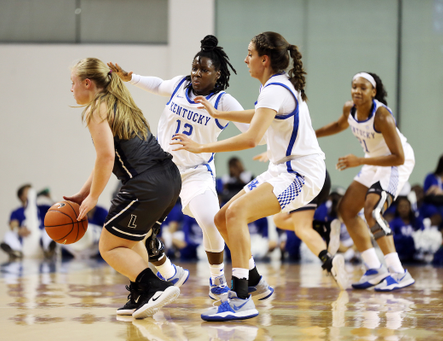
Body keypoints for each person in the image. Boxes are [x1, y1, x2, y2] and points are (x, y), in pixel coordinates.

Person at [172, 31, 328, 321]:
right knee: (221, 219)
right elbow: (257, 116)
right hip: (282, 170)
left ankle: (241, 296)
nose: (245, 59)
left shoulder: (275, 89)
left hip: (301, 174)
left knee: (237, 214)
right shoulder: (275, 86)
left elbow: (252, 138)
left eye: (250, 54)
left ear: (264, 59)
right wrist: (220, 114)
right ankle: (254, 279)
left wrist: (202, 146)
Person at [108, 35, 266, 301]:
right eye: (195, 68)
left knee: (211, 222)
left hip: (196, 174)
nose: (197, 74)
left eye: (204, 70)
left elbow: (252, 133)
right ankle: (167, 273)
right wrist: (130, 77)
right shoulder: (181, 84)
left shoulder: (223, 102)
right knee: (139, 230)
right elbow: (158, 85)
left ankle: (216, 279)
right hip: (162, 171)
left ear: (217, 74)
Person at [63, 57, 182, 319]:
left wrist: (93, 198)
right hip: (170, 179)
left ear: (87, 83)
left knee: (108, 246)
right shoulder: (123, 104)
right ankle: (141, 293)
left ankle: (154, 286)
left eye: (72, 83)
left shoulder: (96, 110)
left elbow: (105, 157)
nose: (70, 89)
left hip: (146, 184)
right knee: (130, 240)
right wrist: (85, 192)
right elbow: (108, 158)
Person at [315, 71, 416, 291]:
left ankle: (398, 273)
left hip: (396, 162)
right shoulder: (349, 108)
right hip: (373, 161)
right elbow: (339, 125)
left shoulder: (382, 116)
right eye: (354, 86)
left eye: (363, 87)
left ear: (374, 91)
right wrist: (311, 135)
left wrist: (359, 160)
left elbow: (398, 156)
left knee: (372, 211)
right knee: (347, 210)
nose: (357, 91)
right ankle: (373, 269)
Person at [253, 151, 347, 288]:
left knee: (302, 228)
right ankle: (323, 228)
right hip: (318, 175)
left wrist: (272, 151)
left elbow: (252, 140)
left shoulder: (292, 137)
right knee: (279, 219)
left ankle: (330, 263)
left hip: (305, 175)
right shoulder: (299, 140)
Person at [0, 184, 55, 260]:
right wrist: (18, 230)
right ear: (21, 197)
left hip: (41, 237)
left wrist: (50, 198)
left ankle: (49, 248)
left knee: (48, 231)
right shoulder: (16, 212)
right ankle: (16, 251)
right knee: (9, 234)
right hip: (25, 237)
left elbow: (60, 209)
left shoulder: (42, 208)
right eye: (28, 192)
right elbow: (13, 224)